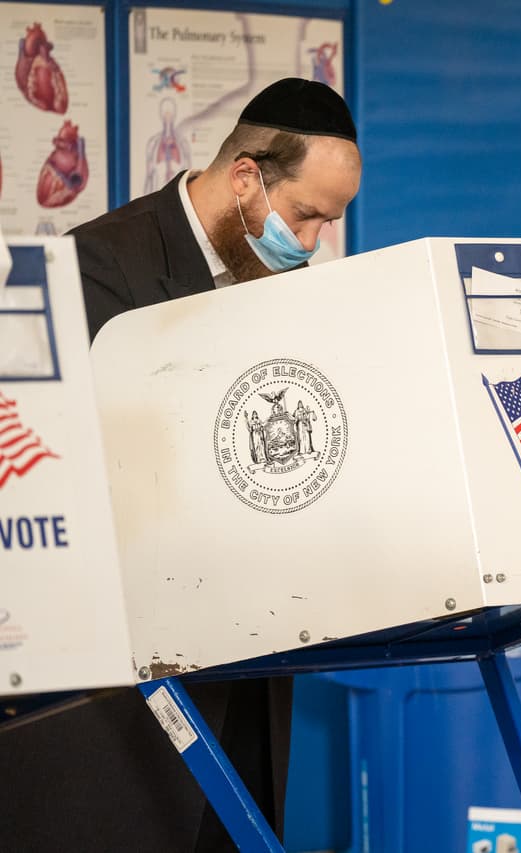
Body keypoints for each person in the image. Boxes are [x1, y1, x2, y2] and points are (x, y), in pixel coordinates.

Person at [0, 78, 360, 852]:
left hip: (253, 675)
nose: (311, 243)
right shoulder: (98, 268)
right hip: (124, 705)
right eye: (305, 215)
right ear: (245, 178)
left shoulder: (289, 286)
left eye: (328, 223)